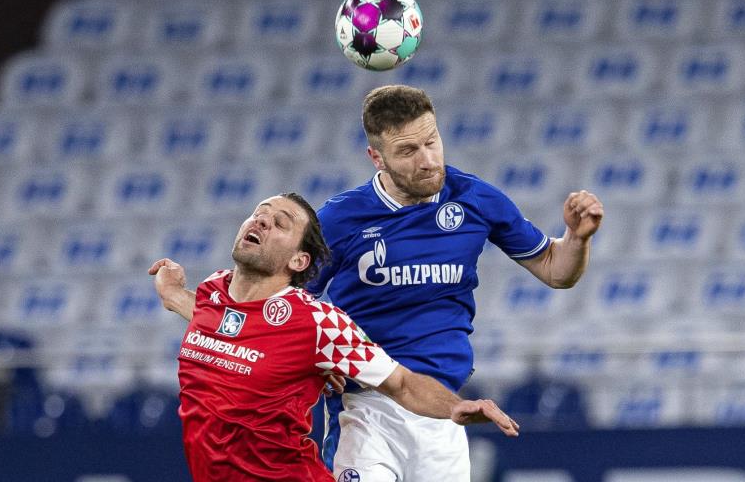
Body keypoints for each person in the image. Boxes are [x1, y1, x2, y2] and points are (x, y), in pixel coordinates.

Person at [158, 86, 603, 481]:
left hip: (443, 409)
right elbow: (265, 306)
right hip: (365, 406)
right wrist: (320, 360)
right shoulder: (341, 218)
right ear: (378, 157)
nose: (428, 159)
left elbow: (554, 269)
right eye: (408, 150)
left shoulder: (477, 199)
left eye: (432, 142)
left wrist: (577, 240)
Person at [148, 192, 519, 482]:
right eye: (259, 212)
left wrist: (454, 407)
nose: (262, 220)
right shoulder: (214, 292)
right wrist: (170, 290)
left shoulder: (318, 324)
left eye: (281, 223)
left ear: (299, 261)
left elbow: (401, 383)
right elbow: (211, 318)